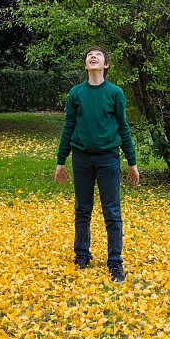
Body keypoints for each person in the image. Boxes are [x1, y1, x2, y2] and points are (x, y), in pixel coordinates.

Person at [55, 46, 140, 283]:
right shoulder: (76, 93)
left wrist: (132, 162)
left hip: (108, 160)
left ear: (105, 65)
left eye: (98, 56)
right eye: (89, 56)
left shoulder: (115, 93)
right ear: (86, 65)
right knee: (82, 209)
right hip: (81, 159)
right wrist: (61, 162)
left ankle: (115, 263)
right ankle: (82, 256)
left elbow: (123, 127)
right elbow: (68, 127)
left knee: (112, 212)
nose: (93, 57)